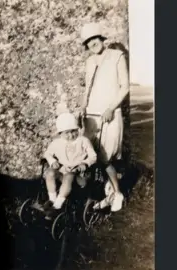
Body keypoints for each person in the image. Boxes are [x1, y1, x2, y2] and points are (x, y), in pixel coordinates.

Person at [79, 22, 130, 212]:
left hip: (110, 114)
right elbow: (88, 89)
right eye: (88, 41)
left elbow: (124, 87)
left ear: (101, 39)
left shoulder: (117, 56)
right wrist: (82, 107)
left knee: (105, 158)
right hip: (91, 115)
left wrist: (111, 108)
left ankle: (117, 194)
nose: (92, 43)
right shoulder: (90, 62)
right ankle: (103, 194)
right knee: (88, 156)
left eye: (95, 38)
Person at [43, 112, 97, 211]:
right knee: (49, 173)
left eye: (73, 131)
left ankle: (58, 205)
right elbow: (48, 153)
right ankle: (52, 199)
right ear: (60, 133)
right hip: (63, 172)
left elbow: (93, 156)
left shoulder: (83, 141)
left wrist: (84, 163)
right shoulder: (57, 142)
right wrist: (52, 161)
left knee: (69, 176)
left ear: (77, 129)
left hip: (80, 175)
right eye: (66, 133)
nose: (71, 135)